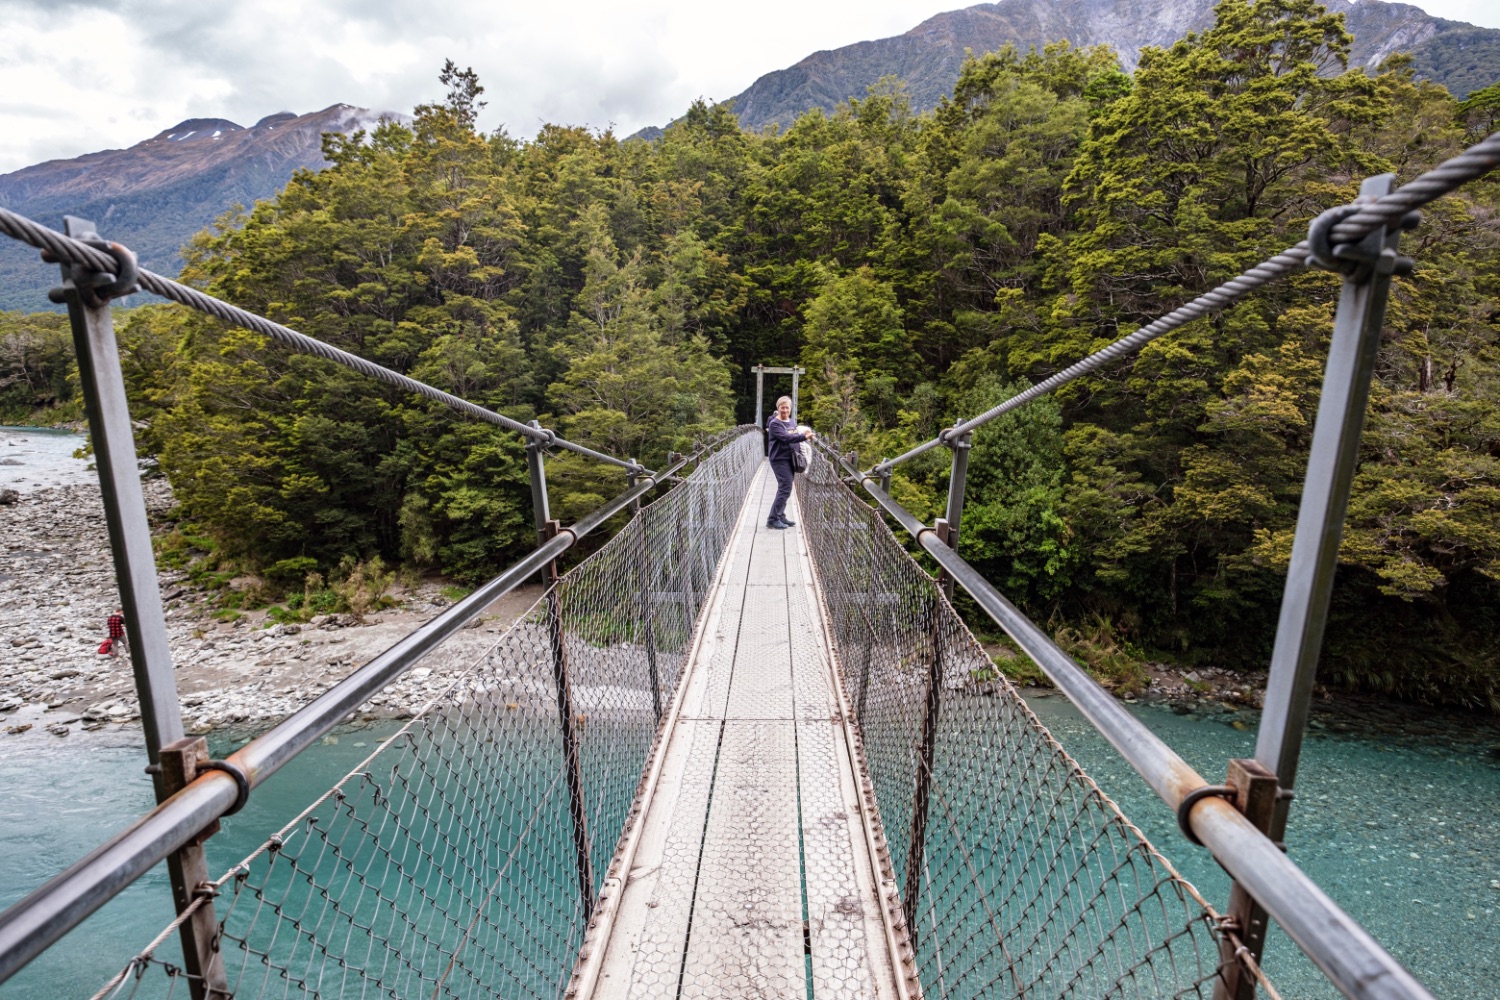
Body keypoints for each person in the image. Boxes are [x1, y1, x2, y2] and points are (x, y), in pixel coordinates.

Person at [765, 396, 813, 530]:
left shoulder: (791, 422)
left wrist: (805, 436)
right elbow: (786, 438)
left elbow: (795, 434)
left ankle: (780, 515)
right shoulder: (775, 424)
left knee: (786, 487)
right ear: (778, 408)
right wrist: (804, 436)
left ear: (790, 408)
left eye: (787, 407)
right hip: (779, 459)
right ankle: (772, 519)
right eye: (782, 407)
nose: (785, 410)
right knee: (785, 487)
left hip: (790, 459)